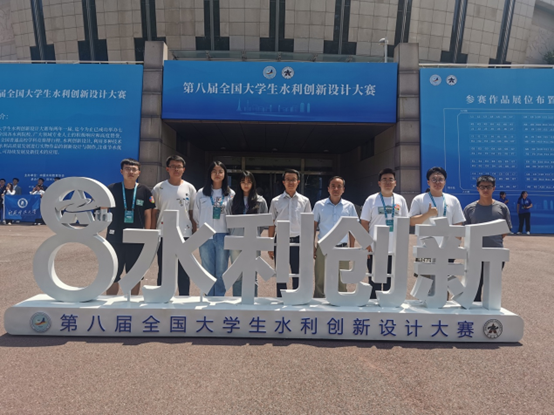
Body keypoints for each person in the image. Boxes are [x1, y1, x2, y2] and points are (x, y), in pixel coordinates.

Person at [409, 167, 465, 293]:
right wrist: (427, 215)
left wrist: (455, 245)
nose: (437, 182)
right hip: (426, 247)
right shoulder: (419, 199)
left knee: (444, 282)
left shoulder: (453, 200)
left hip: (447, 248)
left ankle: (443, 304)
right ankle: (424, 304)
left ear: (445, 182)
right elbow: (411, 221)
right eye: (434, 179)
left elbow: (458, 224)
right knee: (424, 282)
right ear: (428, 182)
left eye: (440, 179)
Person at [105, 158, 155, 295]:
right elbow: (103, 210)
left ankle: (132, 303)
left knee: (135, 274)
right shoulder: (112, 189)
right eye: (127, 169)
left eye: (134, 169)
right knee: (113, 274)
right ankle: (111, 303)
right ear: (121, 171)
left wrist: (147, 236)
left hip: (137, 240)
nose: (131, 172)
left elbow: (148, 215)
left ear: (139, 172)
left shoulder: (144, 191)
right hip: (115, 238)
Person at [152, 155, 197, 296]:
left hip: (184, 234)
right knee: (164, 268)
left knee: (184, 269)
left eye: (179, 167)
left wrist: (194, 233)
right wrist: (153, 233)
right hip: (164, 234)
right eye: (173, 166)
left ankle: (184, 298)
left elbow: (192, 213)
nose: (176, 169)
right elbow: (154, 212)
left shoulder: (189, 188)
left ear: (184, 169)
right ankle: (162, 297)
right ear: (167, 169)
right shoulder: (159, 188)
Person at [360, 168, 409, 299]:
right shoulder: (371, 200)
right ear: (379, 183)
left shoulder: (400, 200)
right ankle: (373, 305)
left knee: (391, 281)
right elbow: (364, 222)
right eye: (384, 179)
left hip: (394, 249)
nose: (387, 182)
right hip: (375, 248)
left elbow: (405, 222)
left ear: (395, 183)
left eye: (390, 179)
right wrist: (366, 244)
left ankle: (388, 305)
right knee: (374, 280)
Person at [463, 175, 511, 302]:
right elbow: (466, 231)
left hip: (496, 253)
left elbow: (505, 231)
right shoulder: (469, 209)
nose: (485, 189)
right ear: (477, 188)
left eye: (488, 187)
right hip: (475, 254)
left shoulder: (502, 208)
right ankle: (475, 312)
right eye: (482, 187)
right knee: (475, 288)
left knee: (492, 287)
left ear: (493, 188)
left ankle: (490, 312)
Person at [268, 169, 312, 297]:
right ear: (283, 182)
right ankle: (281, 299)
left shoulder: (305, 201)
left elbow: (308, 224)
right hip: (280, 241)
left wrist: (309, 244)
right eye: (288, 180)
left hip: (298, 241)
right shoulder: (276, 201)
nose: (291, 182)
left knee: (297, 273)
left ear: (298, 182)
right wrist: (270, 244)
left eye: (293, 180)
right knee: (281, 274)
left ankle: (297, 298)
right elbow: (271, 223)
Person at [194, 161, 235, 296]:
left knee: (221, 270)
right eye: (214, 171)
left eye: (220, 171)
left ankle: (219, 297)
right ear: (209, 174)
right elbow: (196, 214)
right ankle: (208, 296)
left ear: (224, 174)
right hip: (206, 235)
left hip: (224, 234)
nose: (217, 174)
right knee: (207, 269)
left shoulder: (230, 194)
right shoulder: (201, 193)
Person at [313, 176, 357, 298]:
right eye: (333, 186)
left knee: (342, 278)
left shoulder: (349, 206)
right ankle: (319, 299)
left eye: (339, 186)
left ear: (343, 189)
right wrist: (312, 245)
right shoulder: (319, 205)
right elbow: (313, 226)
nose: (336, 189)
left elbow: (353, 228)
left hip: (342, 247)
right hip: (323, 246)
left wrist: (351, 248)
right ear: (328, 188)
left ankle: (341, 300)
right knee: (320, 276)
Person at [226, 171, 268, 296]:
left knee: (252, 274)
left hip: (253, 242)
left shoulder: (260, 201)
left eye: (249, 182)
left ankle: (252, 301)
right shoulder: (232, 201)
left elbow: (262, 223)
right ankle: (237, 300)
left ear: (253, 183)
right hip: (236, 241)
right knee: (237, 274)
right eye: (243, 182)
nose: (246, 184)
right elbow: (228, 221)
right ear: (239, 183)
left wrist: (255, 233)